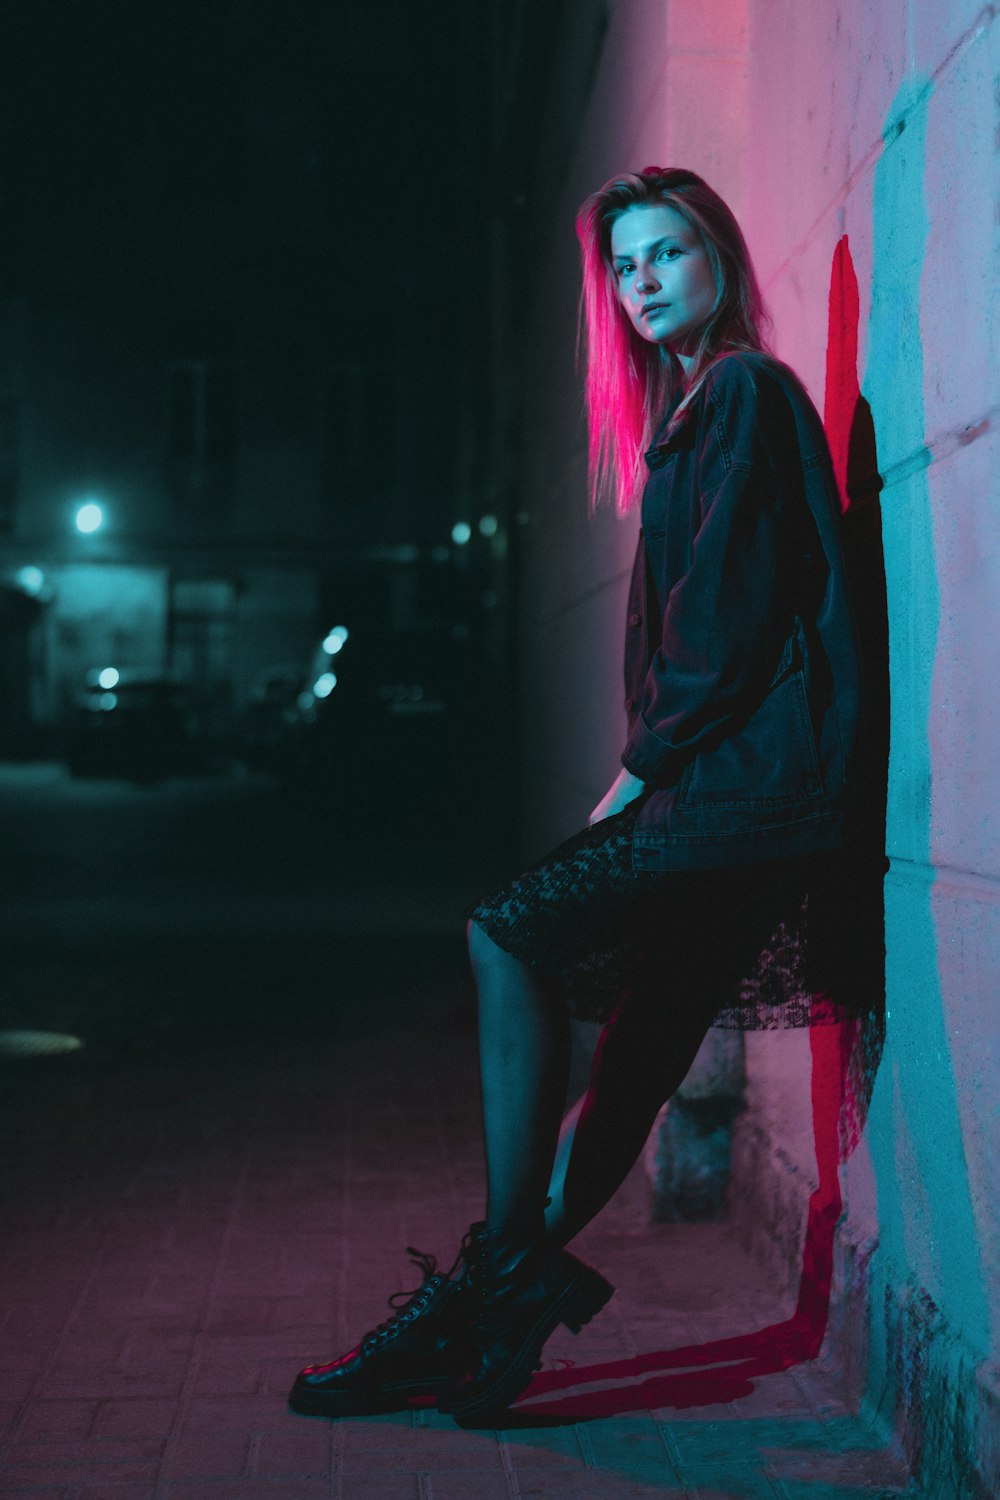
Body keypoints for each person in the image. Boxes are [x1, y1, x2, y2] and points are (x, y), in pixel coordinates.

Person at [289, 167, 863, 1427]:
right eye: (625, 264)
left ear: (720, 256)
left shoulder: (744, 394)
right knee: (643, 1054)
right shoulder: (700, 407)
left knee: (507, 930)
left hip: (730, 797)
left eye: (668, 251)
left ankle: (489, 1288)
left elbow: (725, 623)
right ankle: (491, 1338)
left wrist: (632, 777)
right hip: (750, 803)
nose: (645, 279)